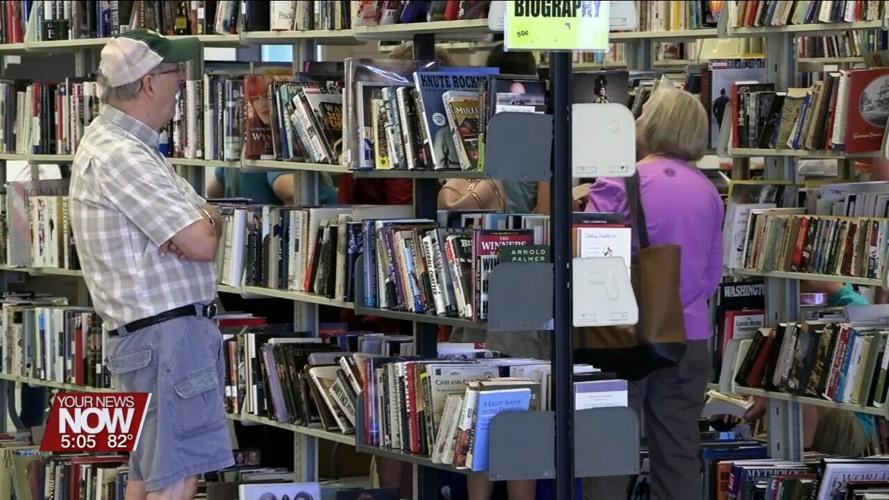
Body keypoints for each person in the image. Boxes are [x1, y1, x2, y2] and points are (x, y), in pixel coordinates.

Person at [69, 29, 233, 499]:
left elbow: (202, 219)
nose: (182, 82)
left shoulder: (126, 147)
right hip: (167, 339)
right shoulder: (123, 155)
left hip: (151, 339)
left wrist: (203, 218)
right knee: (177, 478)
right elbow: (202, 240)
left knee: (149, 476)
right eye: (175, 74)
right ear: (147, 83)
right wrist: (203, 222)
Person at [583, 88, 723, 500]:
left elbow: (591, 256)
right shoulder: (708, 191)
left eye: (642, 114)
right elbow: (711, 273)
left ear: (652, 124)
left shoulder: (618, 181)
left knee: (608, 448)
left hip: (623, 332)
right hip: (689, 334)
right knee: (678, 449)